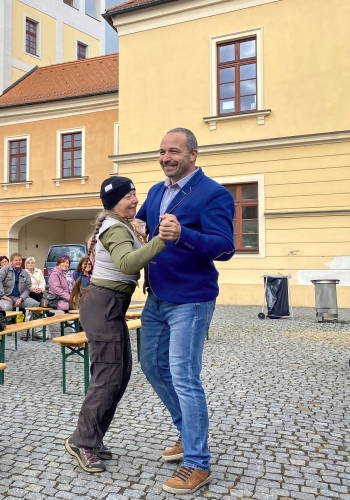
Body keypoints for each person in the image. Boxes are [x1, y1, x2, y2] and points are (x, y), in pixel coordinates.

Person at [137, 128, 235, 494]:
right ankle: (187, 431)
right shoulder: (157, 191)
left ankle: (197, 462)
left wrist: (185, 235)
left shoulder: (214, 194)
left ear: (193, 154)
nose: (166, 157)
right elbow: (144, 220)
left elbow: (225, 248)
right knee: (151, 365)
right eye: (162, 151)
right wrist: (132, 223)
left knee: (183, 375)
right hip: (157, 296)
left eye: (174, 151)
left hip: (191, 300)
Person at [65, 175, 172, 474]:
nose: (135, 199)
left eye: (136, 193)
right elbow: (127, 264)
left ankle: (93, 437)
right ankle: (82, 441)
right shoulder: (114, 229)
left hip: (109, 305)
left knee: (119, 374)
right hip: (103, 305)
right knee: (107, 376)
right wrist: (162, 240)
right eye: (129, 196)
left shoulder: (120, 225)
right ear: (115, 203)